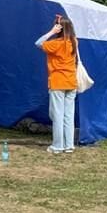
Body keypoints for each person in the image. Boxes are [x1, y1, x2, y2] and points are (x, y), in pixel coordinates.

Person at [36, 14, 79, 153]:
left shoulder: (56, 44)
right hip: (71, 81)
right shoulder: (74, 42)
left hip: (58, 81)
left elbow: (38, 43)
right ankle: (69, 145)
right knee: (68, 115)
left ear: (59, 28)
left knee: (57, 115)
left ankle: (57, 145)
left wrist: (52, 31)